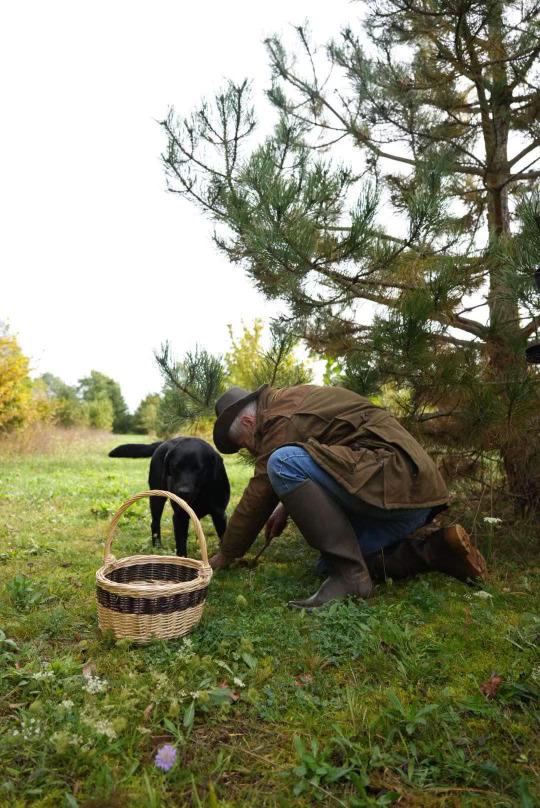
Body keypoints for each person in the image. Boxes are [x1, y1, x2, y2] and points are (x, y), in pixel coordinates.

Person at [209, 384, 487, 609]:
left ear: (248, 421)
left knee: (281, 462)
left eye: (245, 444)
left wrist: (226, 553)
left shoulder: (280, 418)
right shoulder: (290, 403)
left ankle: (351, 577)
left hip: (395, 479)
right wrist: (285, 505)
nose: (250, 451)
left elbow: (261, 489)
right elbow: (330, 462)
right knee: (330, 561)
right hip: (410, 494)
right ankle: (435, 550)